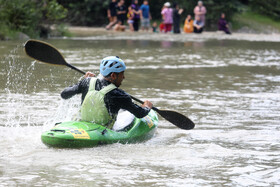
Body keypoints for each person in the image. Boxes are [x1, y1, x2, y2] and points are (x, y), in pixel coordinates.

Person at [61, 56, 153, 129]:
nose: (123, 77)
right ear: (113, 75)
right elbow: (140, 113)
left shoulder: (87, 82)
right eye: (122, 74)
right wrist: (146, 107)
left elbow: (64, 94)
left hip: (82, 125)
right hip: (102, 130)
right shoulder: (120, 95)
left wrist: (83, 81)